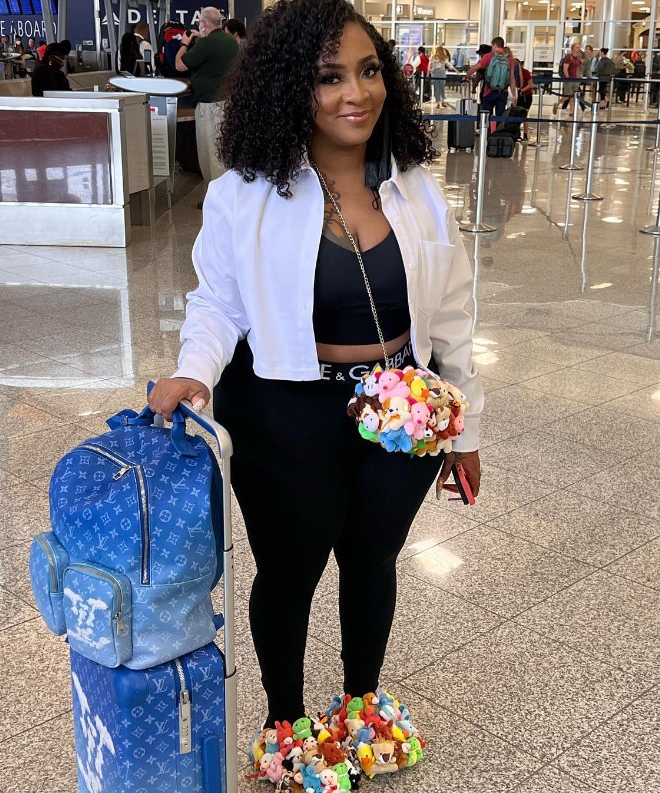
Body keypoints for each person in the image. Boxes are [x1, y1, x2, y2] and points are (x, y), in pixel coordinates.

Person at [148, 0, 482, 735]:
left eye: (368, 71)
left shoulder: (418, 190)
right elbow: (216, 304)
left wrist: (464, 430)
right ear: (288, 87)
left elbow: (453, 316)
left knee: (373, 561)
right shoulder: (244, 194)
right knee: (290, 573)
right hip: (282, 414)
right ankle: (286, 724)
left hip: (404, 410)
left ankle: (363, 708)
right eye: (328, 77)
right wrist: (191, 370)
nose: (354, 94)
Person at [174, 7, 240, 193]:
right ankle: (224, 196)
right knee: (222, 153)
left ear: (203, 23)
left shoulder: (207, 43)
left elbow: (179, 65)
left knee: (211, 155)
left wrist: (185, 44)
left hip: (210, 105)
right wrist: (201, 40)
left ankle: (216, 200)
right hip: (227, 102)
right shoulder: (229, 41)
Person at [463, 36, 517, 130]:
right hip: (502, 92)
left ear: (495, 45)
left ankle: (487, 137)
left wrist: (467, 76)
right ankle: (497, 138)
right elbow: (512, 78)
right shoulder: (509, 59)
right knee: (500, 116)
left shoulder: (489, 56)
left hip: (489, 92)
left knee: (486, 117)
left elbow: (476, 68)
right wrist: (514, 95)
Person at [553, 42, 585, 114]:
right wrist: (568, 78)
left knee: (573, 96)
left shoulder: (578, 58)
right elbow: (565, 69)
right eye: (577, 47)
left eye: (579, 47)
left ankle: (571, 112)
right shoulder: (568, 58)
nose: (578, 49)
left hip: (575, 80)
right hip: (568, 79)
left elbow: (577, 68)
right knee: (567, 95)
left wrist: (577, 78)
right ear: (572, 48)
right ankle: (557, 104)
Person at [429, 44, 455, 108]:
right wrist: (455, 70)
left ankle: (438, 103)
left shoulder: (432, 57)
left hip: (434, 74)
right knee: (442, 89)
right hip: (442, 74)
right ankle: (443, 102)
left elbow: (430, 67)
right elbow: (449, 65)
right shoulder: (443, 58)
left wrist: (429, 73)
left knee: (436, 89)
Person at [518, 59, 534, 139]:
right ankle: (516, 133)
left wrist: (521, 90)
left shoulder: (526, 72)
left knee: (525, 115)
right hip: (518, 96)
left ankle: (525, 134)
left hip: (526, 96)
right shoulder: (514, 73)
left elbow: (530, 84)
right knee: (516, 114)